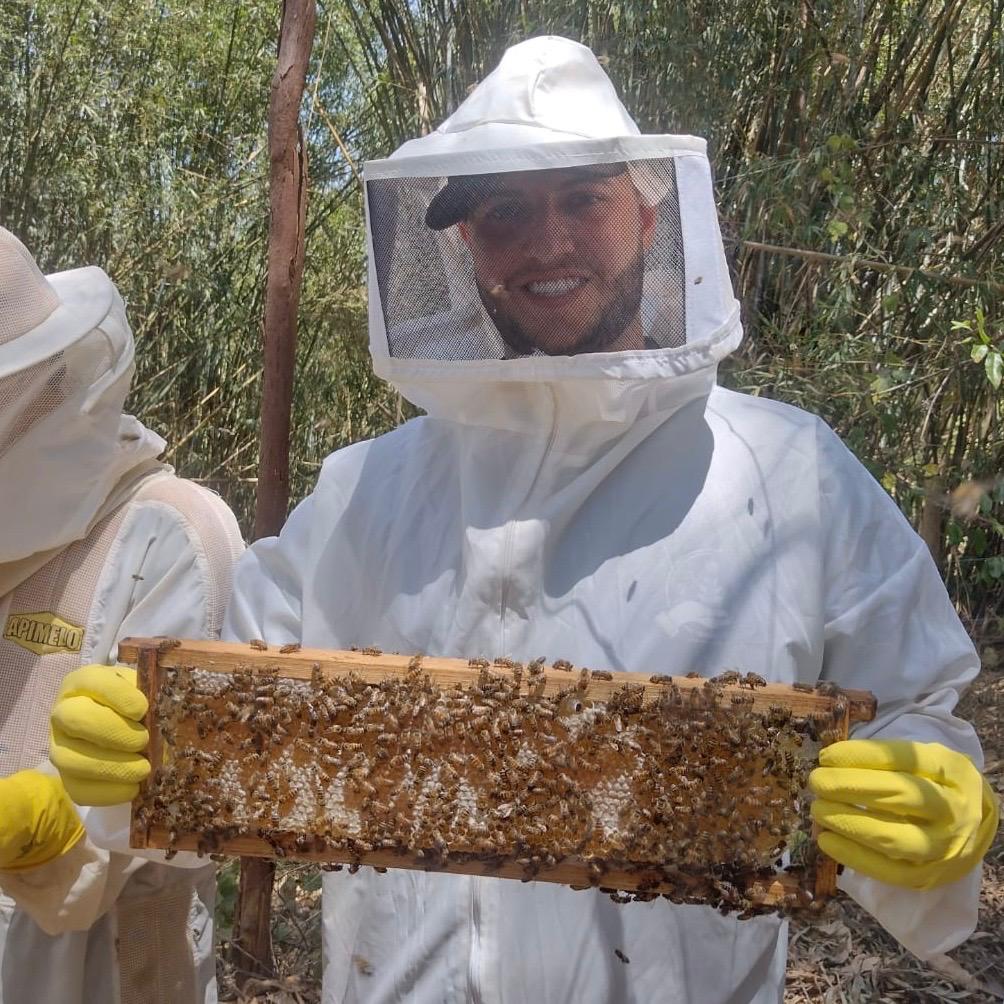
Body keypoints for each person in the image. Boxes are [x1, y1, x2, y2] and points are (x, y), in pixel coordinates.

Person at [52, 36, 998, 1004]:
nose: (546, 243)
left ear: (646, 205)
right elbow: (213, 719)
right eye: (503, 210)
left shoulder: (790, 479)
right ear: (460, 243)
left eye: (582, 199)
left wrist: (935, 815)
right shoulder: (360, 493)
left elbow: (917, 718)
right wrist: (119, 770)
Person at [0, 227, 244, 1004]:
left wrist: (54, 815)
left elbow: (186, 804)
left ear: (40, 388)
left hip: (101, 974)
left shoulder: (169, 531)